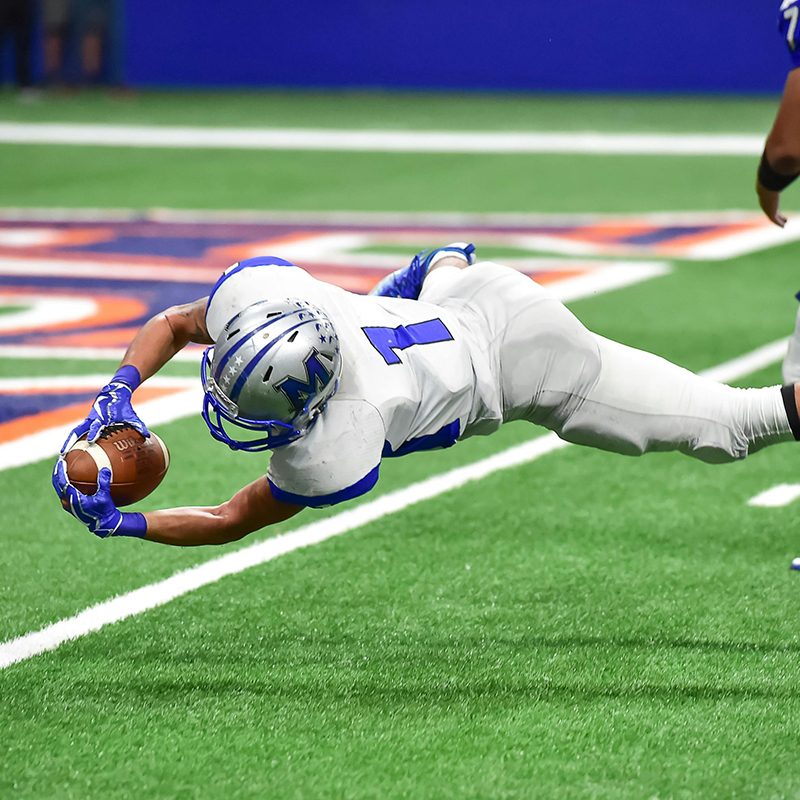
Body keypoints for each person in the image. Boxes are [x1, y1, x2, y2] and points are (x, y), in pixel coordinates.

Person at [53, 244, 800, 545]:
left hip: (529, 362)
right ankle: (439, 263)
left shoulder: (338, 441)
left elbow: (232, 515)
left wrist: (128, 524)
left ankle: (437, 267)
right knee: (429, 293)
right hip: (473, 300)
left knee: (734, 423)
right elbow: (181, 324)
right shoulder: (277, 299)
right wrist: (115, 393)